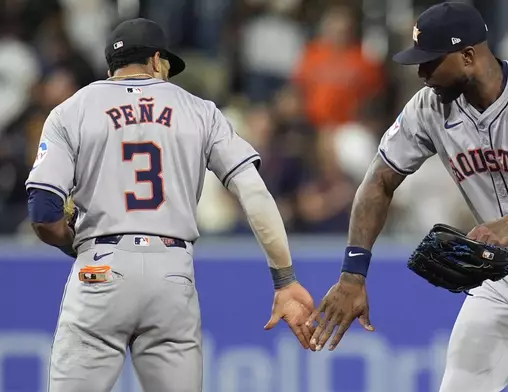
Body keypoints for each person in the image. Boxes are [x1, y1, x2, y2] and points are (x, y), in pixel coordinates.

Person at [307, 3, 508, 392]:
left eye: (430, 62)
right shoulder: (428, 107)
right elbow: (377, 182)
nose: (422, 74)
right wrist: (353, 274)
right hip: (500, 275)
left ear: (468, 56)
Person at [25, 18, 315, 392]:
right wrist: (284, 280)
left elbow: (43, 214)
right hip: (172, 273)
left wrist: (72, 242)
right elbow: (255, 194)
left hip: (99, 266)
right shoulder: (200, 111)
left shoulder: (72, 110)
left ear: (111, 67)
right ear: (157, 60)